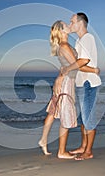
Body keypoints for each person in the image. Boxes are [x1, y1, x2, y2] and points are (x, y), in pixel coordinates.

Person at [38, 20, 99, 159]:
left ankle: (43, 140)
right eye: (66, 25)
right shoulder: (64, 46)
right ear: (61, 31)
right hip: (67, 83)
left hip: (65, 80)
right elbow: (76, 65)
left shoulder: (64, 45)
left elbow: (67, 66)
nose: (69, 26)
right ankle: (61, 152)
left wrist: (60, 75)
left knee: (54, 110)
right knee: (65, 115)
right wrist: (94, 70)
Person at [62, 12, 102, 160]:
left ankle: (88, 151)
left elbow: (83, 61)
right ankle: (83, 146)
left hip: (88, 83)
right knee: (83, 119)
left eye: (72, 22)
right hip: (82, 82)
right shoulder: (80, 41)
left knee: (88, 119)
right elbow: (80, 65)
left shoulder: (87, 38)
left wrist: (68, 68)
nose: (70, 24)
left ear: (80, 23)